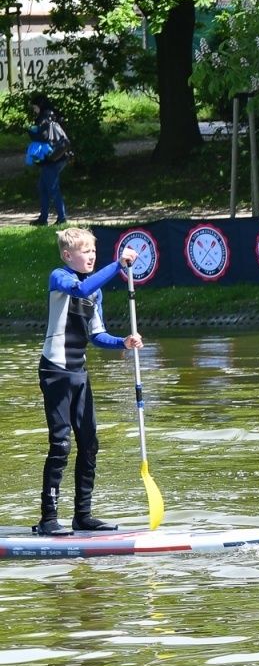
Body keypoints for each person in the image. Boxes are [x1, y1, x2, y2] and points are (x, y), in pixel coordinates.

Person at [35, 229, 143, 536]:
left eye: (93, 251)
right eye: (85, 252)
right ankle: (48, 519)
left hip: (79, 374)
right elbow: (80, 289)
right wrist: (118, 265)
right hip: (55, 372)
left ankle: (82, 515)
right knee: (61, 444)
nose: (91, 256)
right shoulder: (59, 277)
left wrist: (124, 342)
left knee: (89, 443)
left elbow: (97, 336)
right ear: (68, 255)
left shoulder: (96, 293)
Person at [28, 94, 70, 226]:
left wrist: (30, 131)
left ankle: (61, 218)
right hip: (61, 155)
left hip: (50, 158)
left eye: (35, 107)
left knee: (52, 188)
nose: (34, 110)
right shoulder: (55, 115)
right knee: (43, 187)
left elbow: (42, 136)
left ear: (40, 106)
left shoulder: (44, 117)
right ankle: (43, 218)